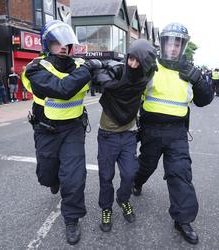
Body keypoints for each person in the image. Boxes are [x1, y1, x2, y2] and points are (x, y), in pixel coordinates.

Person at [21, 20, 102, 245]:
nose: (64, 47)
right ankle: (53, 179)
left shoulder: (79, 65)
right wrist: (88, 69)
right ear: (48, 45)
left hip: (73, 130)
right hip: (46, 130)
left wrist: (115, 70)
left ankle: (72, 219)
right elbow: (62, 90)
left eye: (66, 43)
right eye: (58, 43)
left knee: (75, 177)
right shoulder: (35, 68)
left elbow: (105, 81)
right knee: (47, 175)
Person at [132, 23, 214, 245]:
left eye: (178, 43)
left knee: (180, 173)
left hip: (177, 132)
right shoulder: (151, 66)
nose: (174, 47)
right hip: (151, 130)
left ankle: (183, 220)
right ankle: (137, 182)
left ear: (183, 45)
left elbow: (204, 100)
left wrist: (198, 79)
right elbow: (131, 91)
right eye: (170, 42)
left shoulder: (189, 70)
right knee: (146, 166)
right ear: (163, 43)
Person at [93, 39, 157, 232]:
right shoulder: (119, 70)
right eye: (131, 59)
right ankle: (106, 208)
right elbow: (100, 75)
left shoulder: (145, 78)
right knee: (106, 176)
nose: (133, 64)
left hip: (128, 135)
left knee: (129, 174)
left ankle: (123, 199)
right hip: (107, 134)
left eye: (138, 62)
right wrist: (108, 79)